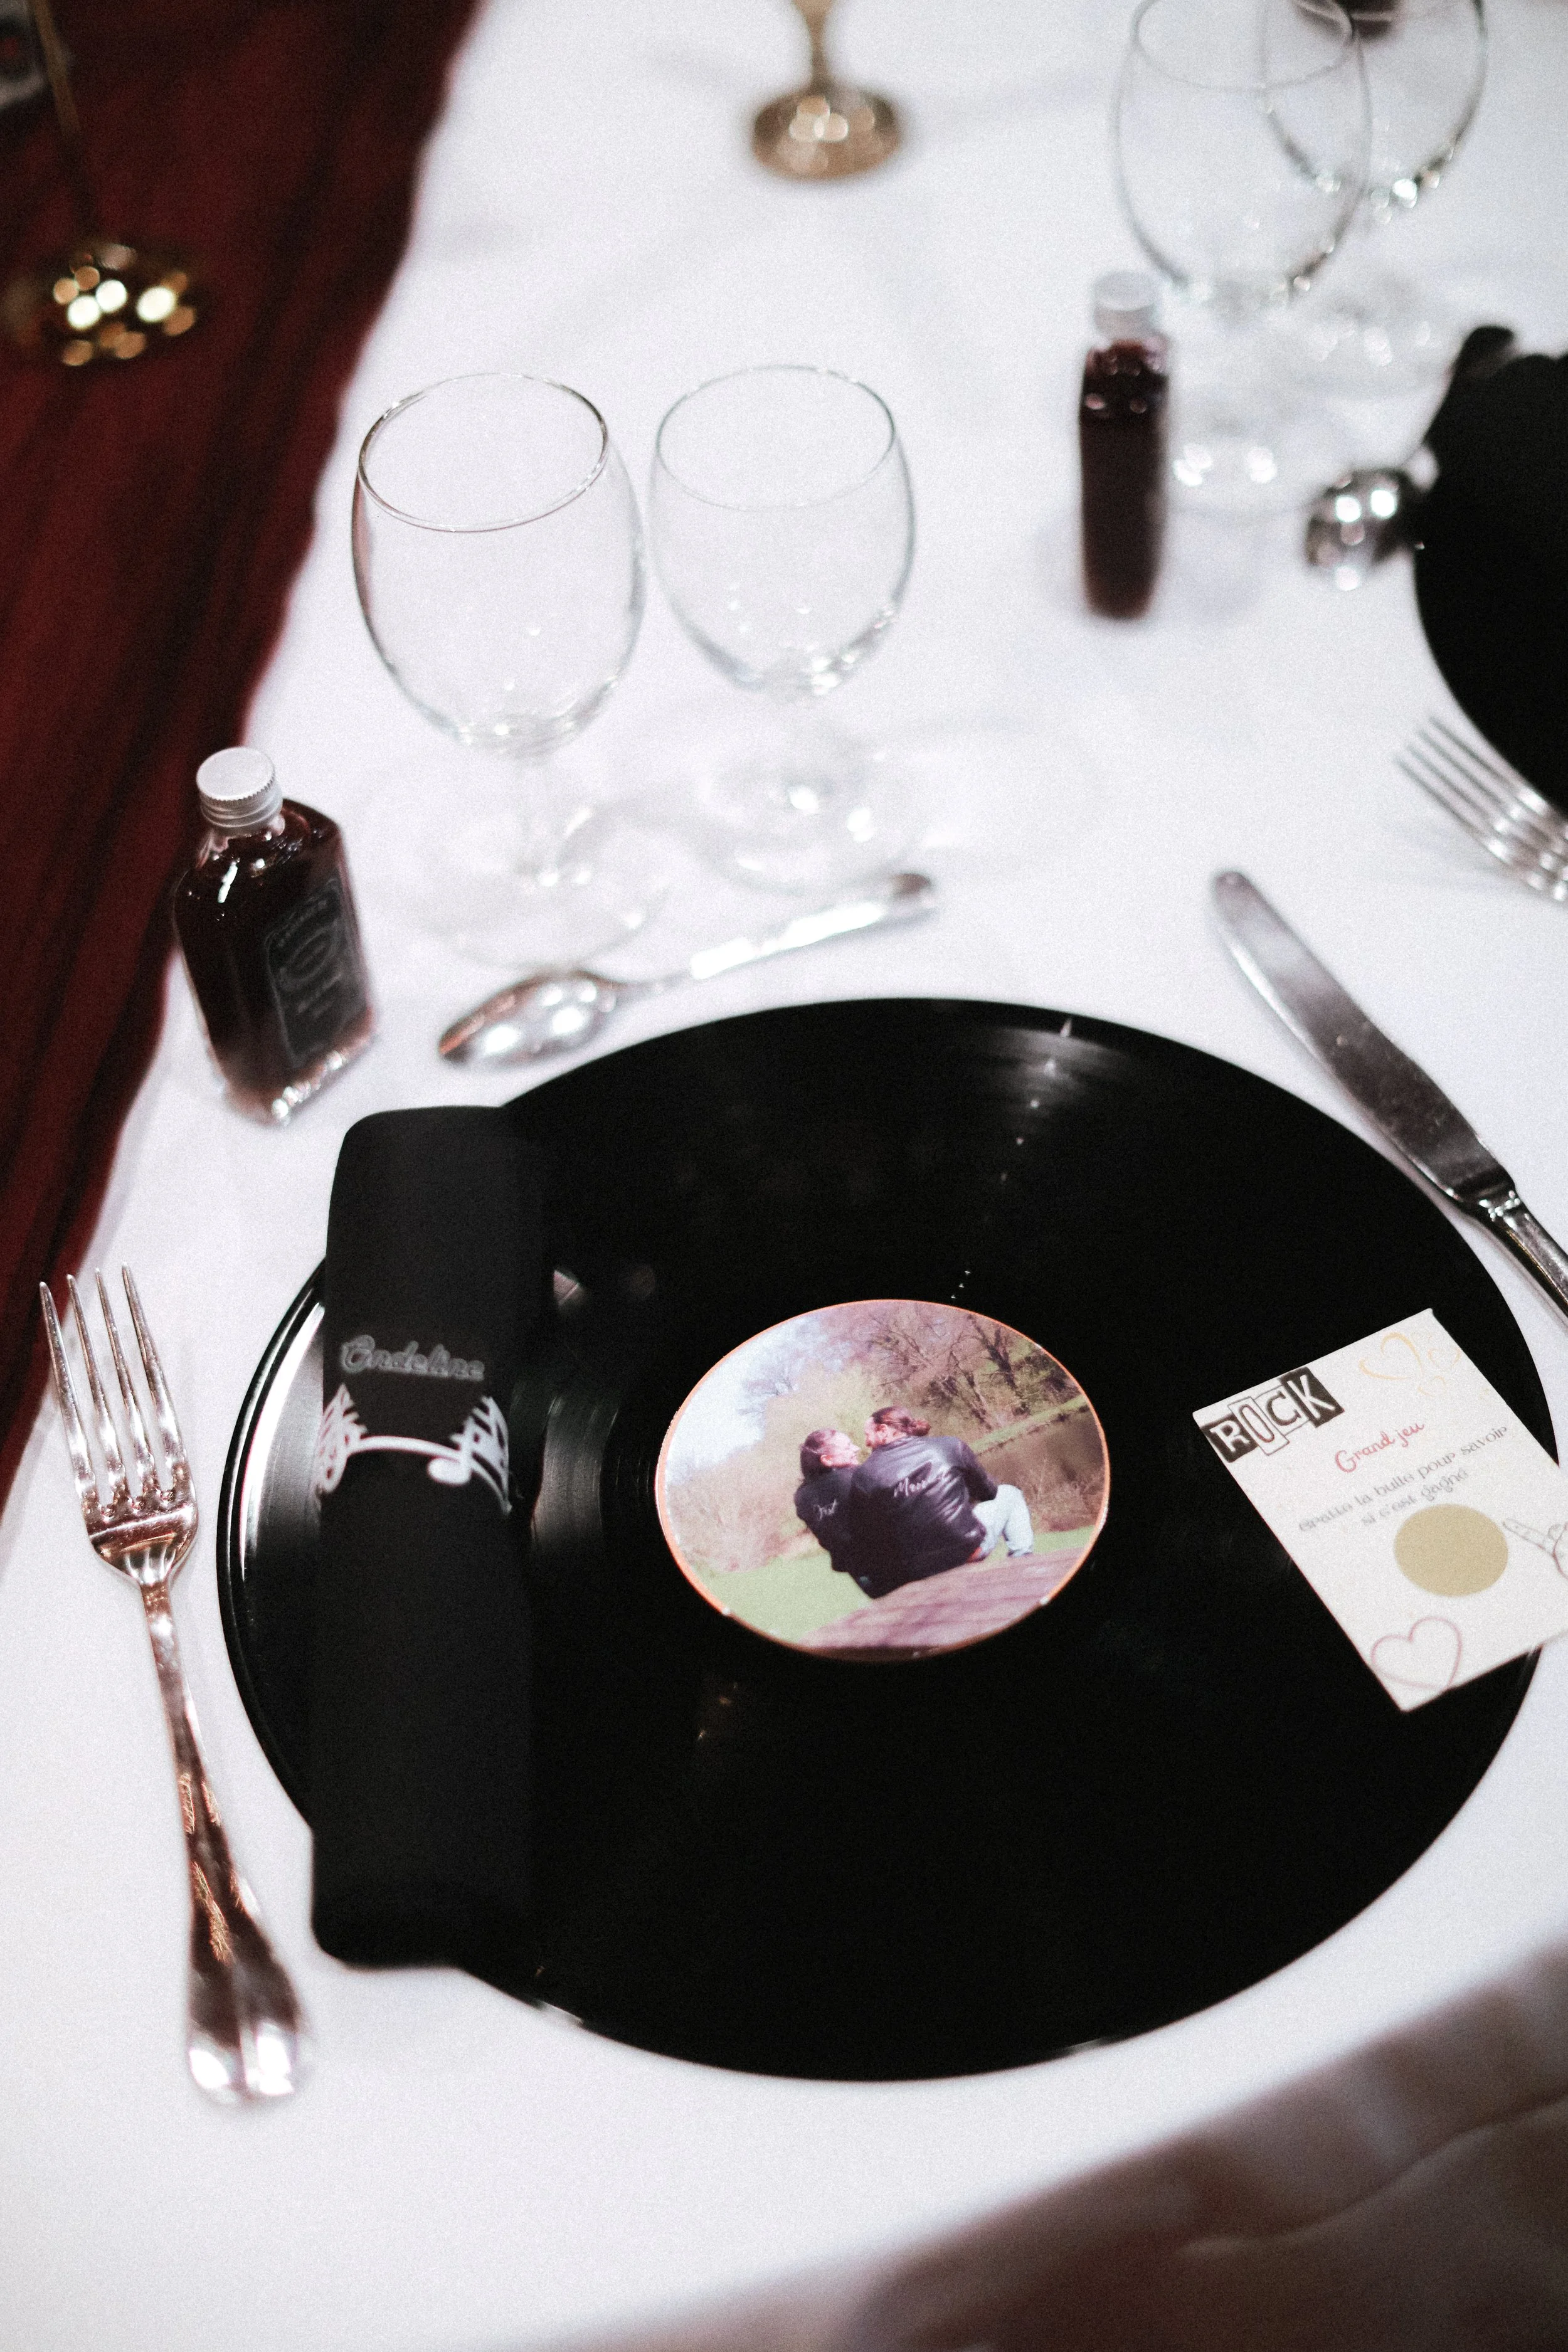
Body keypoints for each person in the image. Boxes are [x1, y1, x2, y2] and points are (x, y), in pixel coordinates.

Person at [846, 1405, 1035, 1597]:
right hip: (970, 1550)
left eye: (867, 1435)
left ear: (884, 1430)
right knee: (1009, 1493)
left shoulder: (863, 1476)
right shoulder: (949, 1446)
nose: (866, 1443)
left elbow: (872, 1533)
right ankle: (1023, 1564)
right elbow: (989, 1493)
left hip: (921, 1567)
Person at [793, 1428, 866, 1583]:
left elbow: (826, 1538)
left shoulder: (801, 1497)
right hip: (892, 1562)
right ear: (827, 1460)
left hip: (857, 1571)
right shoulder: (858, 1477)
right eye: (848, 1447)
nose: (856, 1448)